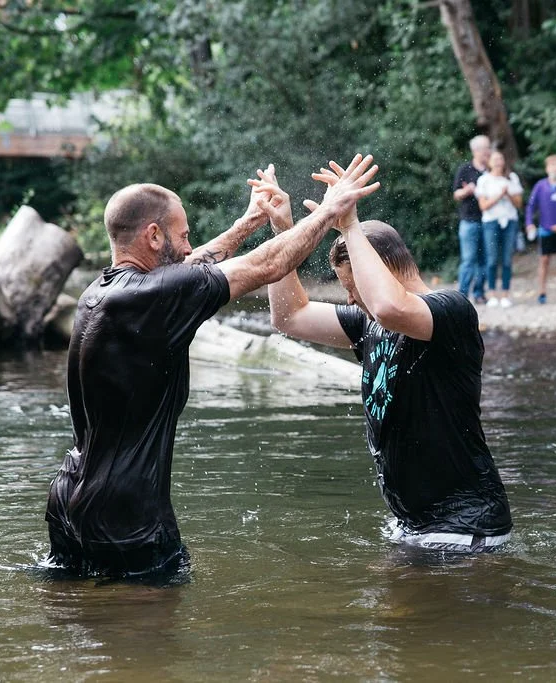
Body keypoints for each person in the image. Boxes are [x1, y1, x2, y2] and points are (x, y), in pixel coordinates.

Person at [44, 156, 382, 578]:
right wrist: (333, 209)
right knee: (146, 637)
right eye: (183, 235)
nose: (189, 246)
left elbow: (193, 266)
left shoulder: (103, 291)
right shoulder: (155, 295)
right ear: (153, 235)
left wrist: (250, 221)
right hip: (127, 512)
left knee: (76, 621)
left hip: (69, 495)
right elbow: (266, 265)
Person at [262, 162, 513, 553]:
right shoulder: (370, 326)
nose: (350, 299)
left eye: (353, 287)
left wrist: (349, 227)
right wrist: (283, 233)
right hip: (417, 524)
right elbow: (289, 316)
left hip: (466, 523)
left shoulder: (451, 312)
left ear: (381, 267)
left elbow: (389, 307)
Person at [475, 150, 524, 308]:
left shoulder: (512, 178)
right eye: (494, 159)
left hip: (509, 221)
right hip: (491, 222)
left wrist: (508, 194)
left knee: (507, 259)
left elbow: (518, 203)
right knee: (492, 259)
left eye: (500, 158)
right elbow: (483, 205)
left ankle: (505, 293)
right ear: (489, 162)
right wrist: (499, 196)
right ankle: (492, 294)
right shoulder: (484, 180)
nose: (497, 161)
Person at [525, 154, 556, 304]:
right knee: (544, 259)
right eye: (552, 165)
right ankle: (542, 291)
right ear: (547, 169)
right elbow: (531, 206)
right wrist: (529, 223)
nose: (555, 168)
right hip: (545, 228)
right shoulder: (540, 186)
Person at [452, 135, 491, 304]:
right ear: (475, 151)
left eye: (489, 148)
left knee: (484, 259)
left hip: (488, 220)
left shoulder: (491, 170)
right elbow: (456, 194)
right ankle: (461, 295)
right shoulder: (465, 169)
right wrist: (467, 191)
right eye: (485, 148)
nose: (488, 152)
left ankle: (480, 293)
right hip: (469, 220)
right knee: (469, 259)